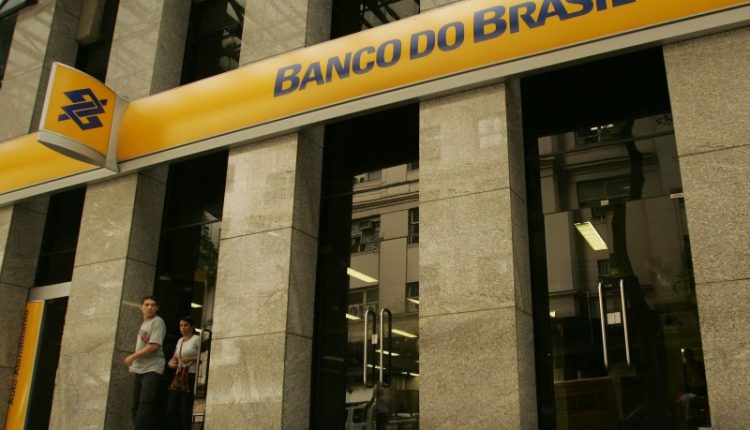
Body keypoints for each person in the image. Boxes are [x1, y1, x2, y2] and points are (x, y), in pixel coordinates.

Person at [124, 296, 167, 430]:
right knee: (135, 405)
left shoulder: (158, 322)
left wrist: (133, 356)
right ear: (141, 307)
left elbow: (154, 345)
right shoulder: (144, 323)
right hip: (140, 367)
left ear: (157, 308)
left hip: (153, 367)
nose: (149, 307)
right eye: (146, 304)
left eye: (153, 305)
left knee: (145, 403)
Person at [167, 316, 200, 430]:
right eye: (181, 325)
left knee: (185, 410)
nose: (183, 328)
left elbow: (204, 356)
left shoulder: (196, 339)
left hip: (191, 375)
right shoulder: (180, 340)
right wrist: (171, 363)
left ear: (192, 327)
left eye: (186, 325)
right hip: (179, 375)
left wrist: (191, 358)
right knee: (171, 409)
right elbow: (174, 358)